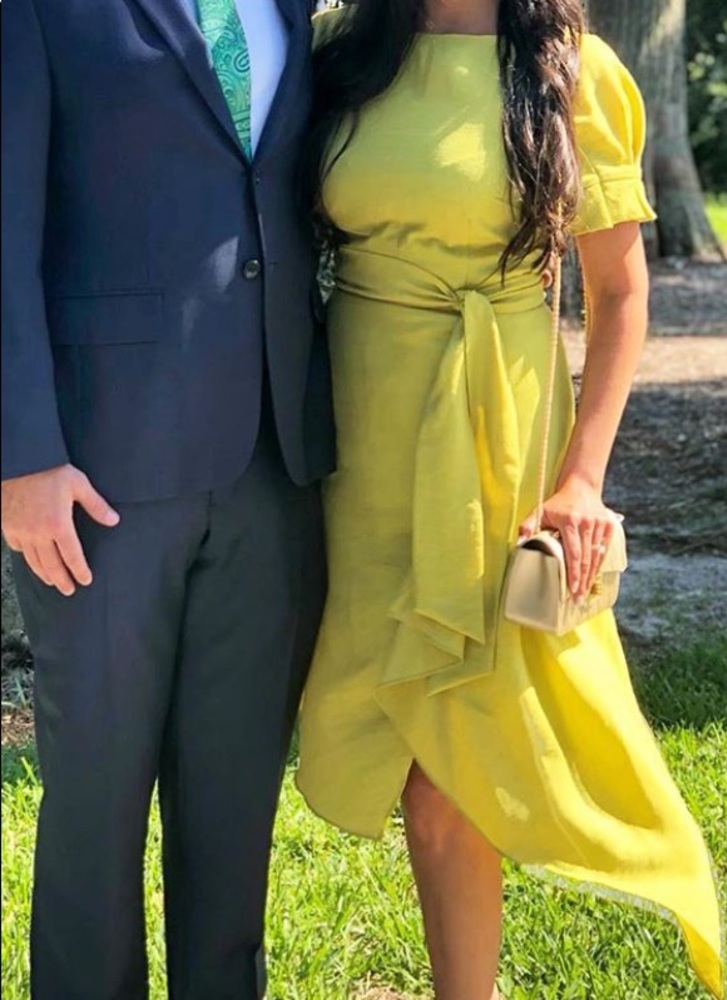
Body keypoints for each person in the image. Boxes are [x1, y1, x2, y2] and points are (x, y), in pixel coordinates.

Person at [297, 2, 724, 998]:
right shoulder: (338, 49)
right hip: (357, 434)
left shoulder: (575, 72)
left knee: (456, 741)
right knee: (400, 736)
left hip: (500, 432)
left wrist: (581, 478)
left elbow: (619, 294)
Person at [0, 1, 334, 997]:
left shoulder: (290, 7)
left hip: (274, 463)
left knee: (232, 812)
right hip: (98, 477)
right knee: (96, 807)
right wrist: (21, 457)